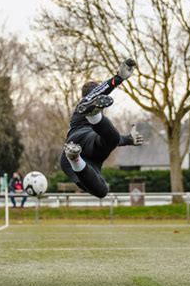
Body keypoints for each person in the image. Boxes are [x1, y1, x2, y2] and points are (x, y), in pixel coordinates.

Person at [60, 58, 144, 198]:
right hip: (81, 139)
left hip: (84, 153)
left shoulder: (98, 123)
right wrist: (118, 78)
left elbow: (115, 139)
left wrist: (128, 139)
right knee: (110, 136)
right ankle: (93, 118)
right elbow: (97, 93)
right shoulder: (80, 108)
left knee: (102, 191)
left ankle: (75, 158)